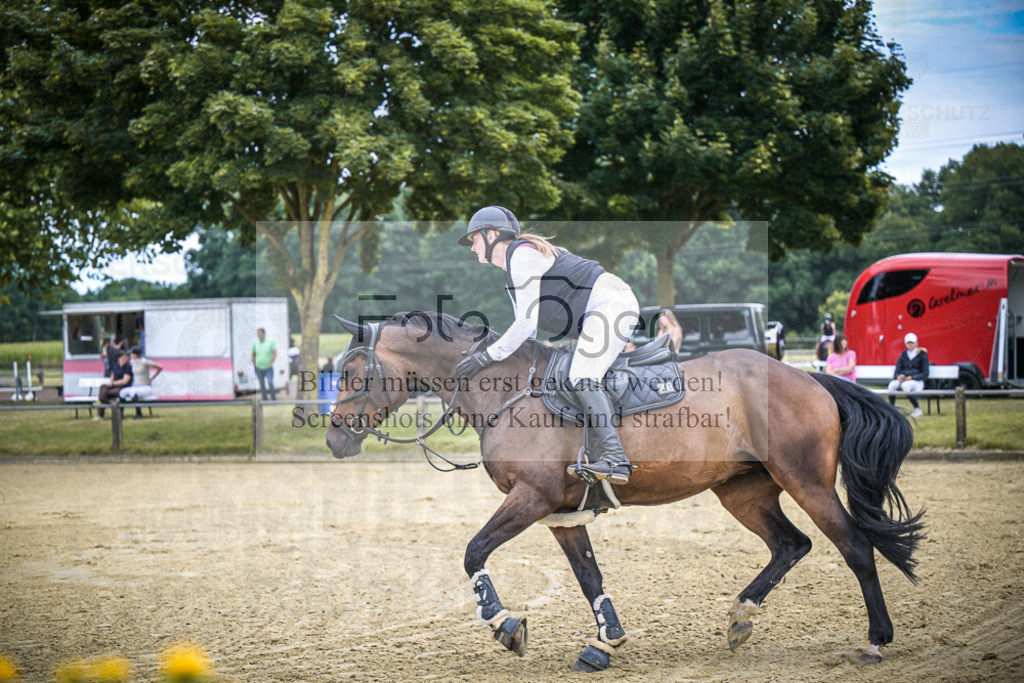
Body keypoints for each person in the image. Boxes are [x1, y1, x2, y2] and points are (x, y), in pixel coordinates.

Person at [455, 206, 640, 485]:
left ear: (491, 234)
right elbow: (526, 335)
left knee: (581, 375)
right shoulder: (513, 266)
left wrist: (486, 357)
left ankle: (615, 459)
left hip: (612, 305)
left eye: (474, 240)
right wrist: (488, 354)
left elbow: (526, 325)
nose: (472, 248)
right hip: (600, 310)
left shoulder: (522, 256)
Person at [888, 332, 929, 418]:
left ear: (916, 343)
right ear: (905, 343)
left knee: (906, 386)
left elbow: (925, 373)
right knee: (892, 385)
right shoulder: (903, 355)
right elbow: (897, 369)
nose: (910, 345)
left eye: (912, 343)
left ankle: (917, 409)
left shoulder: (922, 355)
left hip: (917, 381)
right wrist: (898, 377)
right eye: (908, 343)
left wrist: (912, 377)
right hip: (904, 380)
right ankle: (891, 409)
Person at [120, 346, 163, 419]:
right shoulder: (132, 361)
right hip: (136, 386)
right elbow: (124, 360)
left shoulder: (144, 361)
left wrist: (152, 378)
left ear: (135, 354)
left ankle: (139, 414)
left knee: (133, 392)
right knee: (122, 392)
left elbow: (160, 367)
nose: (130, 355)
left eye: (131, 354)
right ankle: (120, 415)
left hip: (145, 387)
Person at [95, 350, 133, 420]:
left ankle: (101, 408)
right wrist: (111, 383)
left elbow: (125, 381)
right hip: (114, 385)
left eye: (126, 357)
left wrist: (113, 383)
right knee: (103, 387)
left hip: (123, 387)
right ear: (119, 358)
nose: (125, 359)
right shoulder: (116, 366)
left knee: (108, 393)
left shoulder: (128, 367)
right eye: (123, 357)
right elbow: (112, 375)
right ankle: (104, 402)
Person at [252, 327, 277, 401]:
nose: (258, 335)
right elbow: (253, 354)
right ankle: (265, 400)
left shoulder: (270, 342)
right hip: (259, 368)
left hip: (268, 368)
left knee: (270, 382)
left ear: (263, 333)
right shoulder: (256, 343)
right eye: (257, 333)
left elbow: (274, 353)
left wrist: (271, 362)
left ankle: (273, 399)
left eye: (259, 333)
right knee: (262, 385)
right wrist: (254, 363)